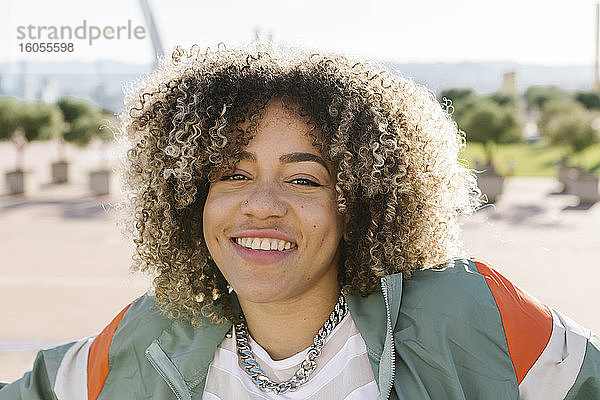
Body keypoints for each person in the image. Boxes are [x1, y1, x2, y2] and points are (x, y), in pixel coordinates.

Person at [1, 44, 598, 400]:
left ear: (362, 201)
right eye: (231, 174)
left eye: (304, 179)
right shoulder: (152, 333)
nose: (259, 204)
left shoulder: (469, 312)